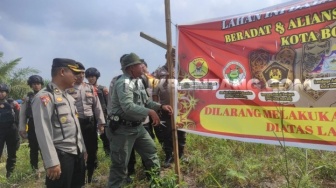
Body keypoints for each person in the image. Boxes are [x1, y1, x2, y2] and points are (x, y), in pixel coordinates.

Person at [107, 53, 173, 188]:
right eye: (139, 65)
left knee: (151, 152)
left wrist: (160, 106)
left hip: (138, 127)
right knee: (119, 165)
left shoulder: (138, 81)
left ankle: (156, 182)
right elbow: (128, 107)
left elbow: (145, 102)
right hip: (122, 129)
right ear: (131, 68)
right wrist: (149, 112)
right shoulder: (123, 83)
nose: (143, 67)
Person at [31, 58, 86, 188]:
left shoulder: (68, 97)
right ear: (62, 71)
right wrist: (51, 162)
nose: (77, 76)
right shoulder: (44, 97)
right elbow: (43, 132)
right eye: (74, 73)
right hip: (61, 156)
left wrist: (82, 148)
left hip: (76, 154)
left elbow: (75, 126)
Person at [67, 62, 105, 183]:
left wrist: (101, 123)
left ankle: (90, 176)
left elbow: (97, 107)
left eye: (83, 73)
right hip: (76, 124)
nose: (81, 76)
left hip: (90, 123)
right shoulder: (68, 89)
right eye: (78, 73)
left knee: (92, 149)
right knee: (78, 151)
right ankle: (80, 178)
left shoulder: (90, 88)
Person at [152, 49, 187, 168]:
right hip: (166, 107)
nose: (172, 57)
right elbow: (154, 91)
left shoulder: (181, 70)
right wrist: (157, 107)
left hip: (181, 107)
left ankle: (181, 154)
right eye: (170, 55)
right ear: (166, 56)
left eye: (175, 55)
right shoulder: (158, 71)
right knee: (166, 133)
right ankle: (169, 155)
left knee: (181, 131)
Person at [19, 75, 44, 172]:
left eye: (38, 84)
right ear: (31, 85)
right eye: (34, 84)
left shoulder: (46, 95)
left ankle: (48, 166)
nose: (36, 86)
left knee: (45, 146)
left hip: (44, 123)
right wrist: (22, 128)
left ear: (41, 85)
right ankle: (34, 169)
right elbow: (23, 114)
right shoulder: (28, 98)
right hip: (32, 123)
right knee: (33, 147)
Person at [85, 67, 110, 156]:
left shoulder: (103, 89)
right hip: (90, 116)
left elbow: (108, 103)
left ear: (96, 77)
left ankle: (108, 154)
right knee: (92, 138)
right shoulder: (85, 89)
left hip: (103, 116)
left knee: (105, 136)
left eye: (92, 76)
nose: (90, 78)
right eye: (88, 77)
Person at [0, 83, 20, 178]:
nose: (1, 94)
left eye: (2, 91)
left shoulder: (13, 103)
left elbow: (19, 117)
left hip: (12, 130)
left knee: (12, 153)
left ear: (6, 93)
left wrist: (19, 131)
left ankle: (10, 174)